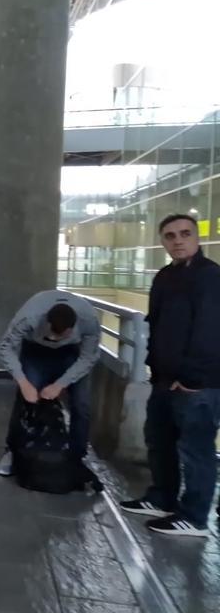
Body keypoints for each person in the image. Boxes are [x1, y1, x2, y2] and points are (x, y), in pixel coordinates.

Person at [120, 214, 220, 537]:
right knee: (159, 440)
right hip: (164, 379)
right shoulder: (165, 276)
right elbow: (158, 325)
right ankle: (162, 498)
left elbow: (210, 332)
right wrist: (155, 368)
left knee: (196, 449)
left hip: (198, 385)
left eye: (185, 234)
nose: (178, 240)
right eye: (170, 235)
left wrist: (191, 377)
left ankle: (194, 517)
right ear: (163, 241)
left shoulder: (211, 277)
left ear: (197, 238)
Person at [0, 290, 101, 478]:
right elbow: (6, 347)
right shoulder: (29, 317)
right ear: (46, 322)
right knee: (26, 398)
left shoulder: (88, 320)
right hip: (35, 351)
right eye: (52, 333)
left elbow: (88, 357)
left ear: (72, 329)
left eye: (60, 335)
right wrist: (23, 381)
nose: (54, 339)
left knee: (81, 404)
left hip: (70, 353)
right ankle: (12, 451)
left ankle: (77, 457)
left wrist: (60, 385)